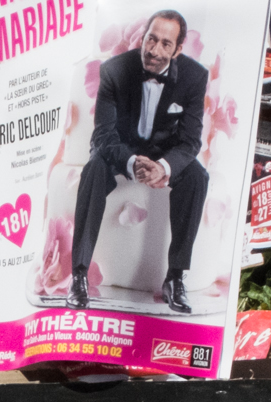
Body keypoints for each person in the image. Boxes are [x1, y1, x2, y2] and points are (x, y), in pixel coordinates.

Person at [69, 10, 209, 315]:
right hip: (120, 150)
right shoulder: (115, 70)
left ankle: (175, 278)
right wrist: (132, 162)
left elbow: (190, 142)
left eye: (165, 45)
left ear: (178, 50)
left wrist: (164, 166)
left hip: (164, 153)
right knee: (93, 169)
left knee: (198, 177)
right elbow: (104, 135)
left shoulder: (194, 77)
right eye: (150, 39)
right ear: (142, 37)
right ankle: (78, 276)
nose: (154, 51)